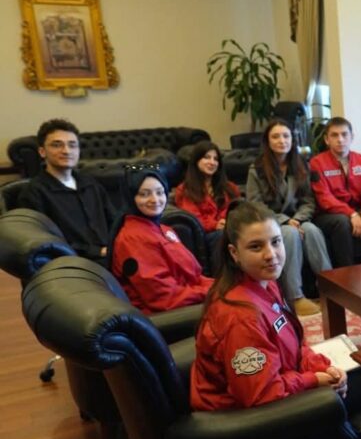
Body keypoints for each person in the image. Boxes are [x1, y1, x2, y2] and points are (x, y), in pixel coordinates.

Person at [190, 201, 361, 412]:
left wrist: (322, 366)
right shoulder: (241, 317)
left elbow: (294, 347)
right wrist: (313, 380)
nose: (271, 254)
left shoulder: (266, 282)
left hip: (281, 380)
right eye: (256, 247)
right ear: (234, 253)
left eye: (275, 242)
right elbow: (261, 394)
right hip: (243, 416)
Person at [245, 119, 331, 316]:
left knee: (312, 231)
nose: (282, 140)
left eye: (286, 136)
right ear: (267, 141)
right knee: (289, 233)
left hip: (298, 219)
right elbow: (255, 204)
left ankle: (330, 288)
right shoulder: (257, 169)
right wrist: (285, 220)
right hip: (269, 222)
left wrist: (298, 219)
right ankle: (295, 297)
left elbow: (309, 201)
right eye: (275, 136)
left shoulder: (301, 166)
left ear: (293, 139)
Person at [109, 168, 213, 314]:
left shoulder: (164, 229)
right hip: (165, 315)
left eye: (159, 192)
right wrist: (211, 291)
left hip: (187, 299)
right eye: (144, 194)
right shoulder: (133, 239)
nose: (155, 200)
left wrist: (219, 286)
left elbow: (193, 277)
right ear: (131, 197)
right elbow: (163, 297)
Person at [19, 118, 116, 266]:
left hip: (112, 258)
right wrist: (98, 252)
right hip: (73, 266)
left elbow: (115, 222)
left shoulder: (91, 184)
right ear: (42, 152)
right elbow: (45, 242)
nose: (66, 151)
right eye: (57, 145)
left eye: (72, 145)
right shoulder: (33, 193)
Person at [309, 117, 361, 266]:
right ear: (327, 140)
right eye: (334, 135)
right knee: (342, 222)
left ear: (351, 137)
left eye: (344, 134)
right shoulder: (317, 163)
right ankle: (346, 275)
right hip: (328, 215)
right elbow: (324, 198)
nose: (340, 139)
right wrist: (351, 214)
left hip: (357, 209)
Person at [173, 141, 240, 255]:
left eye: (216, 159)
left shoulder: (230, 187)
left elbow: (236, 207)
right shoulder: (185, 189)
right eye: (207, 157)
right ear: (196, 160)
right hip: (206, 235)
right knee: (221, 236)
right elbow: (193, 218)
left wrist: (226, 221)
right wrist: (215, 224)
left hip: (230, 228)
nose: (212, 162)